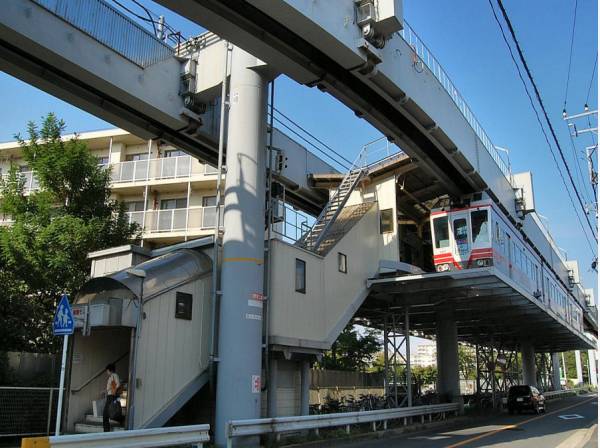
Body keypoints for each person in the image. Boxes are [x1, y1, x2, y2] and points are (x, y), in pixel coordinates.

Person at [103, 363, 121, 432]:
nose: (106, 372)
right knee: (110, 412)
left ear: (110, 370)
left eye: (107, 371)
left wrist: (113, 390)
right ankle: (106, 430)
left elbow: (118, 384)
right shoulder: (111, 377)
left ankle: (106, 430)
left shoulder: (114, 375)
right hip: (110, 396)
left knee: (106, 413)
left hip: (112, 396)